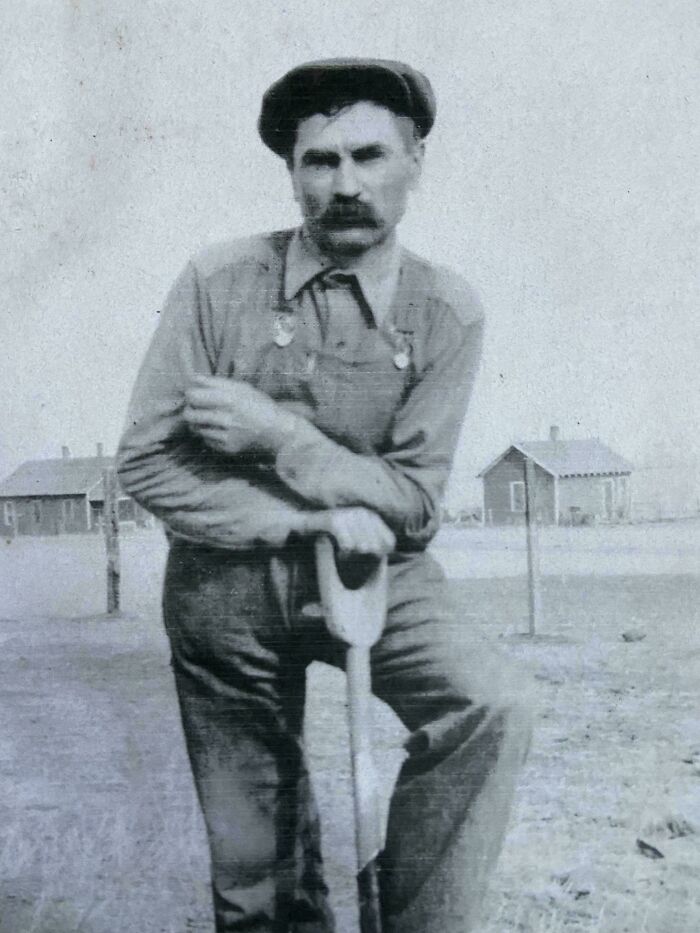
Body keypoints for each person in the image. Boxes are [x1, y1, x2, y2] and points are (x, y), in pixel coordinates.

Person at [117, 58, 534, 933]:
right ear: (290, 170)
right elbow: (149, 464)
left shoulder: (446, 311)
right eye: (320, 161)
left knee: (489, 702)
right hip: (226, 584)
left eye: (370, 156)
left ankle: (417, 915)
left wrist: (279, 438)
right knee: (257, 870)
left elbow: (413, 504)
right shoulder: (217, 282)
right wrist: (310, 513)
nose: (345, 184)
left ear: (416, 159)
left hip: (382, 571)